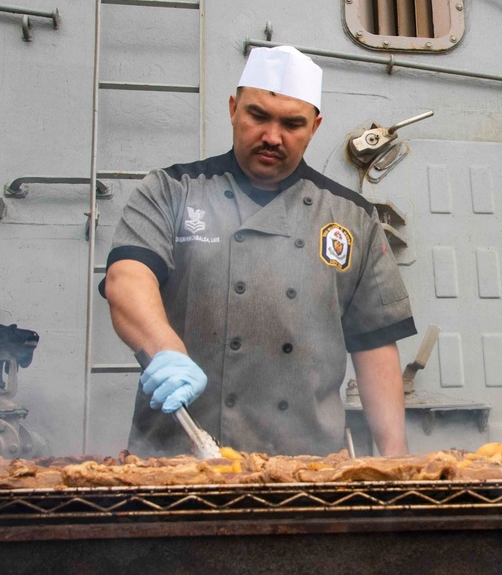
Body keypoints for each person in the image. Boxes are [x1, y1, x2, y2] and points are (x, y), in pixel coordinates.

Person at [101, 45, 416, 462]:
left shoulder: (351, 217)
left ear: (315, 126)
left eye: (292, 123)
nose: (272, 136)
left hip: (309, 466)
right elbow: (128, 278)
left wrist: (397, 462)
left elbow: (374, 344)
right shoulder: (171, 191)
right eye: (258, 116)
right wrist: (163, 349)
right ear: (233, 108)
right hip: (178, 458)